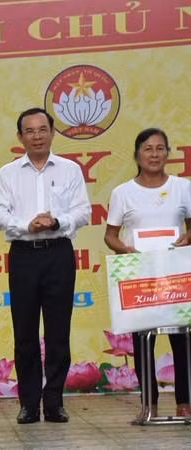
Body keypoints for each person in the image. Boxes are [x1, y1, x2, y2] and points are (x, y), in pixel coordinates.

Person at [0, 107, 91, 424]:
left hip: (59, 253)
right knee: (25, 333)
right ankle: (29, 404)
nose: (37, 135)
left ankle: (55, 402)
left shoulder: (70, 169)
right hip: (23, 254)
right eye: (30, 131)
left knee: (59, 331)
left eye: (42, 129)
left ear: (52, 132)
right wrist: (25, 225)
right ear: (20, 136)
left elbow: (83, 212)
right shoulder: (8, 173)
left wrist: (57, 221)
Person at [103, 128, 191, 420]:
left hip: (176, 274)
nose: (154, 154)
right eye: (148, 149)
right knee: (143, 340)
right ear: (137, 154)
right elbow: (110, 236)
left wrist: (185, 239)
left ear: (168, 153)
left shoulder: (183, 187)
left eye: (160, 148)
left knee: (184, 340)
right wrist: (127, 251)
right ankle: (149, 405)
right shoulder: (123, 193)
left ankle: (184, 404)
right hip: (140, 275)